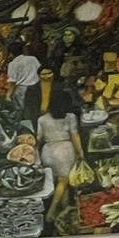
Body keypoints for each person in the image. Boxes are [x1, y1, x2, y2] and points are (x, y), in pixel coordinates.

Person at [37, 84, 85, 216]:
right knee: (63, 181)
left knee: (59, 184)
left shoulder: (42, 119)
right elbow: (75, 135)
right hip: (65, 151)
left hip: (47, 151)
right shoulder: (70, 117)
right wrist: (80, 151)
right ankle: (52, 211)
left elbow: (39, 138)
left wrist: (35, 151)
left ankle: (64, 210)